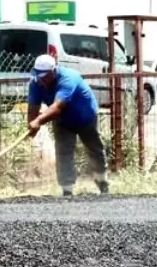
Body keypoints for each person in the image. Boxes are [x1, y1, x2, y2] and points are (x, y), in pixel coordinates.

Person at [26, 54, 109, 197]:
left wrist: (38, 121)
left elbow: (58, 106)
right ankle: (67, 189)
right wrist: (32, 125)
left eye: (45, 76)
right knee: (63, 151)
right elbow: (33, 107)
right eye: (39, 76)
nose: (42, 80)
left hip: (85, 116)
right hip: (62, 120)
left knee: (94, 147)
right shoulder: (35, 84)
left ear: (53, 70)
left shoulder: (68, 78)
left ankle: (102, 182)